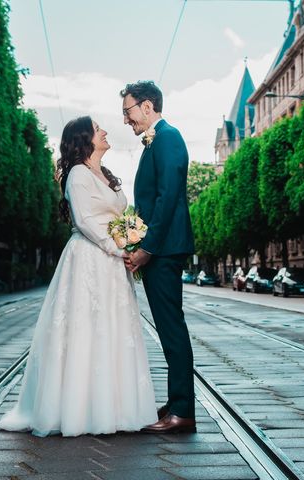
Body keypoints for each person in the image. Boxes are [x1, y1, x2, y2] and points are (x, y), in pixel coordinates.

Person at [0, 116, 156, 437]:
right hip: (89, 259)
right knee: (87, 328)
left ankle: (114, 408)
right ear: (85, 139)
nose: (106, 131)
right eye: (99, 130)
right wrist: (120, 247)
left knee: (113, 328)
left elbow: (114, 216)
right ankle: (78, 411)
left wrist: (127, 238)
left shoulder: (106, 175)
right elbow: (85, 220)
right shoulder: (77, 174)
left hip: (111, 263)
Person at [121, 81, 196, 434]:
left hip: (164, 249)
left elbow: (167, 199)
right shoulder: (157, 140)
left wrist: (146, 248)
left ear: (147, 106)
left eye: (128, 111)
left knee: (171, 328)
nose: (126, 119)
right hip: (162, 246)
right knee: (169, 328)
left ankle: (182, 411)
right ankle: (175, 403)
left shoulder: (168, 138)